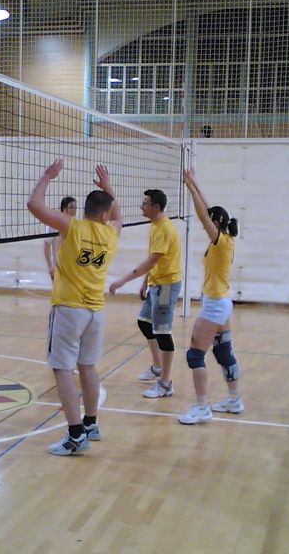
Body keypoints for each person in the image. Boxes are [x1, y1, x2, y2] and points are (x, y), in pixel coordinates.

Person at [27, 159, 121, 456]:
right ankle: (91, 424)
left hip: (69, 309)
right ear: (104, 215)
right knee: (88, 367)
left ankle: (75, 434)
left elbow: (34, 205)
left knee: (63, 370)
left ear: (85, 210)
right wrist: (108, 186)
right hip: (96, 311)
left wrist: (47, 175)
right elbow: (118, 216)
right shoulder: (111, 233)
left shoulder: (72, 226)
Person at [178, 168, 244, 425]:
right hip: (222, 302)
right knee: (224, 351)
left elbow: (203, 214)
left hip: (215, 305)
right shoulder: (226, 237)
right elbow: (209, 211)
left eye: (210, 221)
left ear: (215, 223)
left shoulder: (220, 241)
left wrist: (190, 189)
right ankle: (234, 400)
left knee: (195, 355)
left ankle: (202, 407)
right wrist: (194, 184)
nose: (206, 223)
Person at [109, 188, 181, 399]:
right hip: (156, 283)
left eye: (145, 203)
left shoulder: (164, 229)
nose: (141, 206)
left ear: (156, 207)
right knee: (144, 322)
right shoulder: (155, 225)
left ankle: (165, 384)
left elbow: (150, 261)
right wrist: (145, 282)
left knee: (163, 333)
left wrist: (122, 281)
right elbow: (155, 260)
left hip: (166, 287)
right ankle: (157, 367)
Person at [43, 197, 77, 280]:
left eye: (75, 207)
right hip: (58, 267)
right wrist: (50, 266)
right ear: (64, 209)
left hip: (73, 267)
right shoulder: (54, 223)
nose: (74, 210)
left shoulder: (75, 223)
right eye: (71, 207)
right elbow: (47, 245)